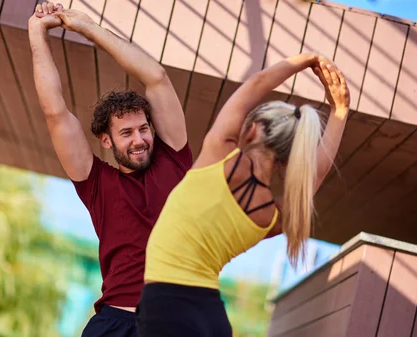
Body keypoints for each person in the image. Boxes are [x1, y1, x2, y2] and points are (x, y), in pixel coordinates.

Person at [137, 53, 350, 336]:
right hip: (210, 316)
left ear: (250, 130)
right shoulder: (271, 216)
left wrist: (307, 60)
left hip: (167, 306)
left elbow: (256, 83)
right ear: (288, 157)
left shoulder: (219, 154)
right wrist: (341, 112)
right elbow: (317, 173)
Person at [28, 2, 192, 336]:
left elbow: (156, 77)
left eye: (143, 128)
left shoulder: (174, 156)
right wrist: (36, 31)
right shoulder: (97, 183)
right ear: (107, 141)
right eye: (127, 133)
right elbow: (55, 111)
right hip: (115, 323)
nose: (139, 139)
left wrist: (87, 27)